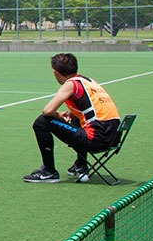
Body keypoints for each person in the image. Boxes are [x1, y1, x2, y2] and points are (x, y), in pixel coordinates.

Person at [25, 53, 122, 184]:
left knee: (41, 122)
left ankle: (49, 172)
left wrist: (58, 115)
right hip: (114, 137)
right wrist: (71, 113)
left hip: (97, 139)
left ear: (55, 72)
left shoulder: (71, 84)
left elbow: (47, 111)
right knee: (76, 117)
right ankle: (81, 165)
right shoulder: (88, 81)